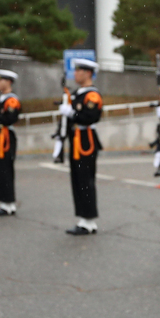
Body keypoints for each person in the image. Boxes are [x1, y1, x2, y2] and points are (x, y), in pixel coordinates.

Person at [61, 58, 103, 235]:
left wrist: (72, 113)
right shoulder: (78, 93)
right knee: (77, 179)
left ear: (87, 73)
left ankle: (89, 220)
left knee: (85, 179)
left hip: (86, 139)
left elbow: (90, 116)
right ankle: (83, 218)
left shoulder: (91, 95)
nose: (75, 73)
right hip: (76, 139)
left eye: (79, 71)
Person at [0, 69, 22, 216]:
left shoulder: (11, 100)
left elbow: (10, 119)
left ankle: (9, 203)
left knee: (5, 169)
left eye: (1, 80)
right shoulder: (1, 99)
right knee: (1, 170)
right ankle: (5, 202)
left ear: (8, 82)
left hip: (6, 138)